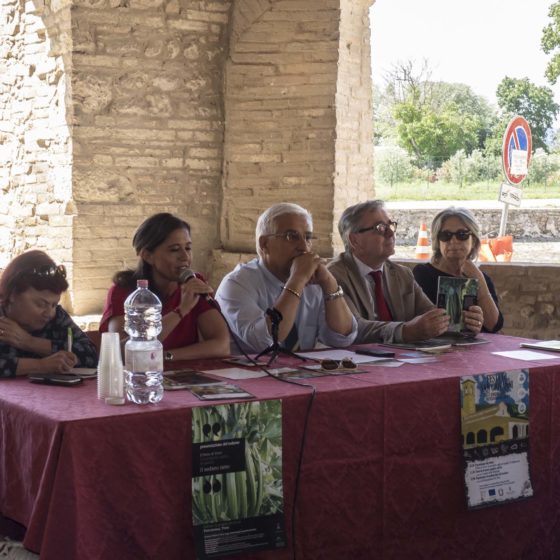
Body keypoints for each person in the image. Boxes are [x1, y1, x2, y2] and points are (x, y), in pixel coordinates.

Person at [328, 200, 483, 343]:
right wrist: (405, 331)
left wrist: (462, 322)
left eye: (391, 225)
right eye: (380, 228)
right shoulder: (333, 277)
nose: (390, 233)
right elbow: (354, 328)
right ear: (354, 240)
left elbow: (432, 315)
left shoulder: (402, 274)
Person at [215, 203, 357, 354]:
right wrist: (296, 281)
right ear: (264, 244)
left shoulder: (314, 281)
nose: (303, 247)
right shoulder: (237, 283)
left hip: (299, 373)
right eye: (292, 237)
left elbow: (343, 338)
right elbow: (265, 343)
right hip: (244, 373)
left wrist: (330, 284)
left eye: (308, 237)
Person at [100, 213, 230, 360]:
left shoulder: (193, 284)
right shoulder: (123, 291)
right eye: (174, 250)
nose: (185, 257)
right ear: (147, 255)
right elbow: (121, 352)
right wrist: (181, 311)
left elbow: (222, 345)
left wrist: (163, 357)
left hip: (184, 376)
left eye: (188, 248)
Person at [0, 250, 98, 378]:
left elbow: (90, 356)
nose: (50, 313)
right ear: (13, 295)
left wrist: (29, 342)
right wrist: (40, 366)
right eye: (41, 304)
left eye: (54, 305)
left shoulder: (57, 317)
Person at [413, 207, 503, 333]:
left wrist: (478, 279)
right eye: (446, 235)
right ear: (438, 241)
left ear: (474, 240)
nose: (453, 241)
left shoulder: (481, 278)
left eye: (462, 235)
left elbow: (494, 325)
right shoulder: (423, 274)